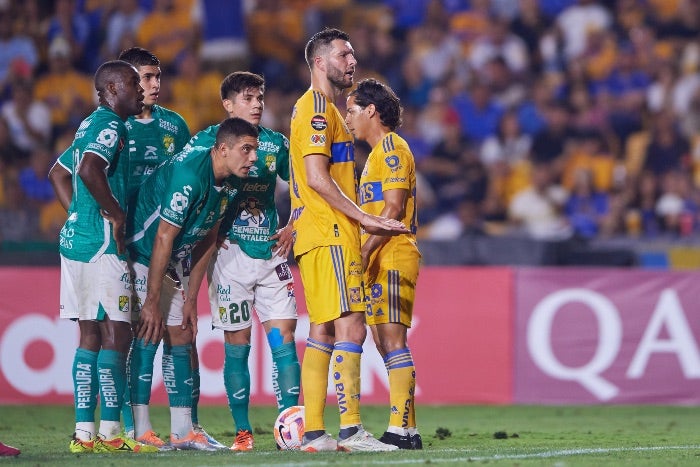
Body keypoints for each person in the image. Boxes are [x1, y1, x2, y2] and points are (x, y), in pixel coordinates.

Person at [289, 27, 406, 453]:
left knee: (322, 329)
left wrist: (292, 221)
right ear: (320, 62)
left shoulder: (319, 111)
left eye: (353, 53)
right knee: (352, 327)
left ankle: (316, 434)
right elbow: (318, 178)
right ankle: (351, 430)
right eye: (343, 54)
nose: (351, 61)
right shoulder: (319, 109)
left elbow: (301, 177)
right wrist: (362, 218)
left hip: (316, 231)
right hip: (334, 233)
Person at [124, 117, 258, 451]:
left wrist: (190, 301)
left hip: (174, 256)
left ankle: (183, 431)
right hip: (143, 249)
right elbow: (163, 238)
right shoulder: (189, 176)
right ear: (222, 149)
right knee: (149, 330)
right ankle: (139, 429)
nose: (253, 157)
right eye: (246, 149)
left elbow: (208, 236)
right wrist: (152, 302)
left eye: (254, 149)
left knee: (182, 331)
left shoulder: (232, 180)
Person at [47, 59, 158, 453]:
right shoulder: (111, 125)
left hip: (76, 239)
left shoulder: (88, 124)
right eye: (132, 82)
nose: (141, 89)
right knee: (117, 332)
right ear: (112, 89)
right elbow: (91, 170)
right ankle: (111, 434)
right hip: (102, 246)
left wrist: (80, 214)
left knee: (89, 334)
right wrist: (114, 212)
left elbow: (59, 174)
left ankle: (83, 434)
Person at [114, 46, 221, 450]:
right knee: (132, 335)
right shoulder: (114, 126)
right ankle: (128, 427)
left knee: (178, 334)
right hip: (124, 247)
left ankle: (184, 427)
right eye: (145, 77)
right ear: (125, 80)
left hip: (166, 246)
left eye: (157, 77)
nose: (154, 85)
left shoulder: (174, 126)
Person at [188, 71, 299, 451]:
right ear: (228, 105)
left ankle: (291, 429)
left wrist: (293, 223)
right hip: (227, 256)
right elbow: (189, 184)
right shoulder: (208, 143)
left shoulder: (275, 144)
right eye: (248, 98)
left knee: (284, 339)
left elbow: (304, 185)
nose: (257, 104)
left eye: (260, 97)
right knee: (238, 343)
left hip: (271, 252)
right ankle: (242, 432)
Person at [344, 78, 422, 449]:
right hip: (379, 252)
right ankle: (407, 429)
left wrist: (364, 252)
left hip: (391, 251)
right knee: (383, 341)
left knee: (392, 340)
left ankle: (399, 429)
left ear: (371, 110)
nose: (348, 118)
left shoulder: (393, 148)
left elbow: (392, 209)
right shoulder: (375, 154)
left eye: (353, 109)